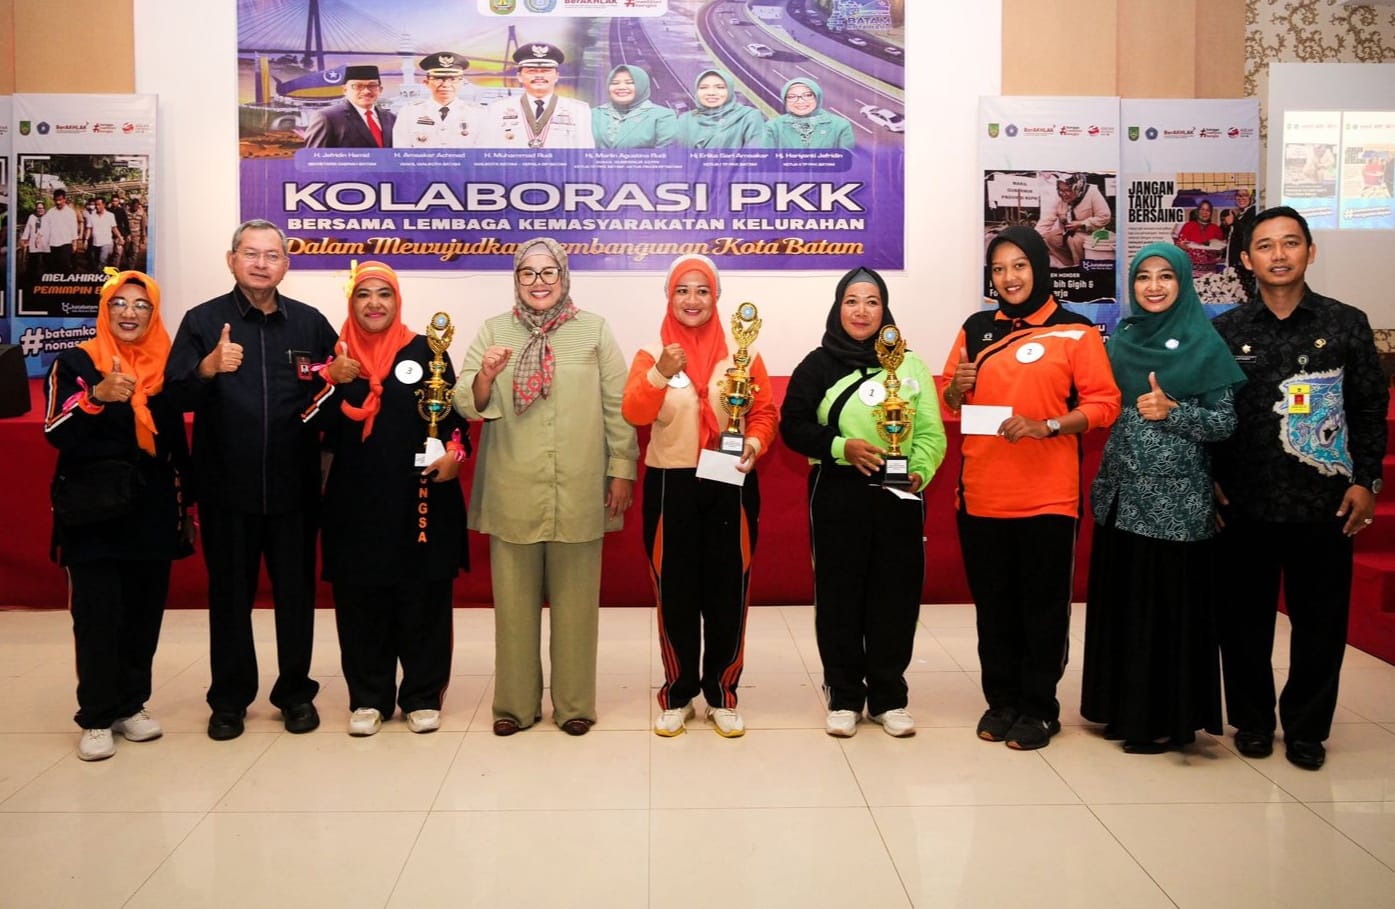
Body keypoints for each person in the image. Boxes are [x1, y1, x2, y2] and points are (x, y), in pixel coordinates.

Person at [1211, 206, 1388, 771]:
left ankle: (1308, 728)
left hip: (1325, 501)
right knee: (1243, 622)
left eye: (1291, 243)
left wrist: (1367, 480)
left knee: (1321, 623)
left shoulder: (1346, 323)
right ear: (1247, 259)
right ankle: (1253, 721)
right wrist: (1208, 478)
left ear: (1310, 252)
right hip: (1245, 500)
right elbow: (1210, 411)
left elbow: (1368, 409)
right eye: (1265, 246)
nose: (1279, 255)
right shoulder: (1227, 330)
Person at [941, 226, 1120, 750]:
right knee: (994, 610)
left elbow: (1105, 404)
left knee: (1042, 611)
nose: (1009, 278)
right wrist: (955, 390)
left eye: (1019, 265)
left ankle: (1039, 708)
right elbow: (951, 401)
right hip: (981, 496)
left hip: (1048, 499)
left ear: (1041, 267)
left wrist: (1049, 426)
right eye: (999, 269)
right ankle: (1001, 702)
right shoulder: (976, 328)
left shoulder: (1076, 331)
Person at [164, 220, 340, 741]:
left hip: (295, 489)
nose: (262, 264)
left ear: (286, 264)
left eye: (272, 255)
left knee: (296, 597)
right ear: (231, 259)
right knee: (229, 598)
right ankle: (229, 700)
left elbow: (337, 394)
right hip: (227, 489)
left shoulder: (310, 323)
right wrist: (207, 369)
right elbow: (173, 396)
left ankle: (295, 694)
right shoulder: (202, 321)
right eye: (251, 254)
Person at [456, 237, 637, 736]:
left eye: (548, 272)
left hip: (580, 486)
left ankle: (575, 705)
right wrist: (486, 375)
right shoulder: (494, 330)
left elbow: (618, 406)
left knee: (577, 608)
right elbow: (465, 402)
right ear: (516, 279)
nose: (539, 282)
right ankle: (514, 707)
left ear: (564, 275)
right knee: (513, 609)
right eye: (527, 273)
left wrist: (622, 469)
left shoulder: (594, 330)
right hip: (513, 487)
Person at [1080, 243, 1245, 754]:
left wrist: (1174, 410)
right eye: (1143, 277)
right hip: (1119, 498)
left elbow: (1224, 423)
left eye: (1165, 276)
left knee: (1164, 614)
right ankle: (1123, 710)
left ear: (1183, 283)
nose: (1153, 286)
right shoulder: (1122, 342)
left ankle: (1164, 718)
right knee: (1126, 611)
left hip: (1175, 508)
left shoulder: (1204, 342)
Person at [782, 267, 946, 738]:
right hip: (837, 490)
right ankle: (845, 696)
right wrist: (841, 447)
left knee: (896, 595)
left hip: (900, 493)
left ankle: (889, 698)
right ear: (838, 308)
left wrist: (919, 471)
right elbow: (793, 425)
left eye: (872, 301)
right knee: (840, 595)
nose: (861, 311)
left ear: (884, 309)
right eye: (851, 301)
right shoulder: (817, 364)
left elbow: (931, 432)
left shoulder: (909, 365)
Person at [621, 255, 777, 738]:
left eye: (702, 290)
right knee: (676, 593)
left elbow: (764, 412)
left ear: (716, 297)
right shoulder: (652, 354)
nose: (692, 300)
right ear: (669, 297)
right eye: (682, 290)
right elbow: (634, 413)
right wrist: (659, 374)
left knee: (729, 591)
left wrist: (754, 443)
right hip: (673, 484)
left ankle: (723, 694)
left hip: (730, 480)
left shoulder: (743, 355)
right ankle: (678, 692)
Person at [314, 261, 469, 736]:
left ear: (397, 301)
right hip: (354, 501)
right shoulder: (333, 357)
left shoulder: (427, 350)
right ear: (352, 302)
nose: (374, 303)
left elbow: (455, 421)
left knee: (423, 597)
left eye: (384, 294)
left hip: (420, 497)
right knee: (360, 600)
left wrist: (456, 454)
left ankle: (422, 694)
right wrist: (329, 380)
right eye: (364, 294)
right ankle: (369, 697)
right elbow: (309, 425)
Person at [43, 270, 192, 761]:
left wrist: (186, 503)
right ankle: (96, 715)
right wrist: (95, 398)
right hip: (94, 511)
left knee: (143, 613)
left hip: (151, 508)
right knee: (97, 614)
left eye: (141, 305)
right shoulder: (77, 360)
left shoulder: (166, 366)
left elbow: (175, 442)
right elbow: (55, 430)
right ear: (104, 310)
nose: (130, 313)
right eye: (119, 304)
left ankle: (131, 704)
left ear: (154, 313)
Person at [481, 43, 593, 148]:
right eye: (532, 71)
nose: (539, 75)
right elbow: (486, 151)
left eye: (546, 71)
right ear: (519, 76)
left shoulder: (578, 110)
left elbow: (584, 152)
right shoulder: (498, 109)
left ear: (557, 76)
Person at [392, 52, 477, 148]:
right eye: (438, 79)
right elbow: (401, 152)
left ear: (462, 83)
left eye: (453, 79)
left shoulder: (477, 114)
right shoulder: (409, 113)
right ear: (426, 82)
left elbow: (482, 152)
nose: (445, 85)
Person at [303, 64, 396, 149]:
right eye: (358, 86)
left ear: (380, 89)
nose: (366, 91)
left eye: (372, 86)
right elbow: (315, 158)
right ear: (344, 90)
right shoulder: (328, 118)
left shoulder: (391, 118)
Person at [592, 64, 678, 149]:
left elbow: (666, 155)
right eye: (615, 83)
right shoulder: (593, 114)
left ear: (642, 85)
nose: (621, 87)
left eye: (630, 83)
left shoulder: (663, 116)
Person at [676, 68, 766, 149]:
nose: (711, 93)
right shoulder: (686, 119)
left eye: (720, 87)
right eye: (703, 88)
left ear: (729, 90)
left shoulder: (748, 116)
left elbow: (757, 155)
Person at [1035, 173, 1111, 268]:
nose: (1063, 194)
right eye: (1061, 190)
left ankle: (1080, 267)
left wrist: (1081, 224)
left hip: (1091, 233)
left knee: (1074, 239)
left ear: (1077, 188)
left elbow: (1104, 217)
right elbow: (1048, 219)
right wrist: (1033, 237)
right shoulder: (1060, 197)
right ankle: (1069, 264)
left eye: (1067, 190)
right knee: (1049, 238)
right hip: (1068, 232)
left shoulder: (1092, 192)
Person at [763, 77, 854, 150]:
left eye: (808, 95)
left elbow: (845, 162)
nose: (800, 101)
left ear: (817, 97)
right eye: (792, 97)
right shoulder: (773, 127)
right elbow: (767, 162)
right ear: (785, 100)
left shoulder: (840, 125)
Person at [1175, 199, 1224, 273]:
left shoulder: (1216, 229)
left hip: (1210, 271)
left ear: (1211, 213)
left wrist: (1219, 250)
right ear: (1198, 211)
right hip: (1191, 270)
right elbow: (1179, 244)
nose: (1204, 213)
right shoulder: (1188, 226)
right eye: (1202, 209)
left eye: (1207, 210)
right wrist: (1182, 246)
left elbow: (1220, 250)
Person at [41, 189, 81, 275]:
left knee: (65, 265)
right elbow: (45, 227)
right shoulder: (51, 212)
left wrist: (74, 243)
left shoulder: (70, 212)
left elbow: (74, 228)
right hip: (53, 243)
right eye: (56, 200)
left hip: (66, 243)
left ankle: (66, 281)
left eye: (60, 200)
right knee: (54, 266)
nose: (58, 202)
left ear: (64, 199)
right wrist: (41, 238)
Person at [1225, 188, 1256, 292]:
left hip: (1244, 267)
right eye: (1238, 195)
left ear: (1251, 198)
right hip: (1238, 265)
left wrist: (1234, 222)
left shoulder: (1253, 212)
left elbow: (1247, 235)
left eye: (1245, 195)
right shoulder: (1241, 214)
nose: (1241, 198)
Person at [85, 197, 123, 270]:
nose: (97, 206)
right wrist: (86, 240)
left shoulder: (110, 215)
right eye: (96, 205)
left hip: (106, 242)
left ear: (104, 205)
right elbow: (89, 229)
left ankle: (101, 275)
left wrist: (120, 237)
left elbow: (114, 228)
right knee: (96, 260)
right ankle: (101, 273)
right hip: (95, 243)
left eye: (99, 204)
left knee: (102, 260)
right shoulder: (91, 216)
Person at [21, 201, 49, 281]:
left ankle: (46, 278)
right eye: (39, 208)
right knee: (33, 262)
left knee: (46, 262)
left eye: (42, 208)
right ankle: (31, 279)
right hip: (33, 243)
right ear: (36, 209)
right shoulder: (31, 217)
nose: (40, 210)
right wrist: (24, 239)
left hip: (45, 243)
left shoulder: (48, 217)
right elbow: (28, 228)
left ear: (44, 209)